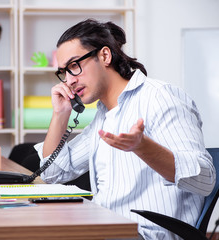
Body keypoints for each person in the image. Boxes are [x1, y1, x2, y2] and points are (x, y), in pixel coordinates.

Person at [34, 19, 216, 239]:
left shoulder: (160, 98)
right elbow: (54, 173)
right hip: (109, 229)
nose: (69, 80)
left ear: (105, 56)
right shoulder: (104, 115)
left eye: (74, 66)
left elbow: (204, 179)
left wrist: (142, 147)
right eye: (64, 72)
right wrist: (61, 114)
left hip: (146, 234)